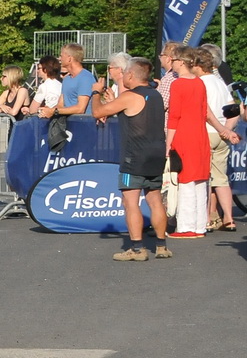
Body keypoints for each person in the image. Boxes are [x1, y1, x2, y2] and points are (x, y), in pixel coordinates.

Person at [92, 57, 170, 260]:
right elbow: (132, 115)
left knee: (130, 201)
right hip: (156, 154)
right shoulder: (156, 95)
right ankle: (161, 246)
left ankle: (137, 248)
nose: (123, 76)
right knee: (155, 200)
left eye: (125, 73)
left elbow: (97, 112)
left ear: (131, 75)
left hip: (134, 157)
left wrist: (95, 93)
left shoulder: (130, 96)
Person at [167, 47, 233, 238]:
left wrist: (168, 144)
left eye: (173, 60)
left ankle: (186, 227)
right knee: (200, 180)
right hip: (201, 134)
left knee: (186, 180)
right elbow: (205, 112)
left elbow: (174, 116)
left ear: (180, 62)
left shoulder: (178, 85)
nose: (172, 64)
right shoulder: (199, 83)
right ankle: (198, 226)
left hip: (184, 135)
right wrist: (223, 129)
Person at [195, 45, 239, 231]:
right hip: (222, 135)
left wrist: (221, 129)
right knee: (221, 179)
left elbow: (205, 112)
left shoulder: (200, 83)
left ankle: (206, 219)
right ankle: (229, 218)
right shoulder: (219, 82)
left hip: (206, 132)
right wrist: (227, 130)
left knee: (204, 178)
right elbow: (233, 109)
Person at [39, 42, 94, 120]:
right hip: (68, 124)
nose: (59, 58)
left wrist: (54, 111)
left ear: (69, 59)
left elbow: (80, 108)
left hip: (84, 124)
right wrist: (47, 110)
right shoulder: (67, 79)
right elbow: (61, 104)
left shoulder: (85, 78)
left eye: (61, 56)